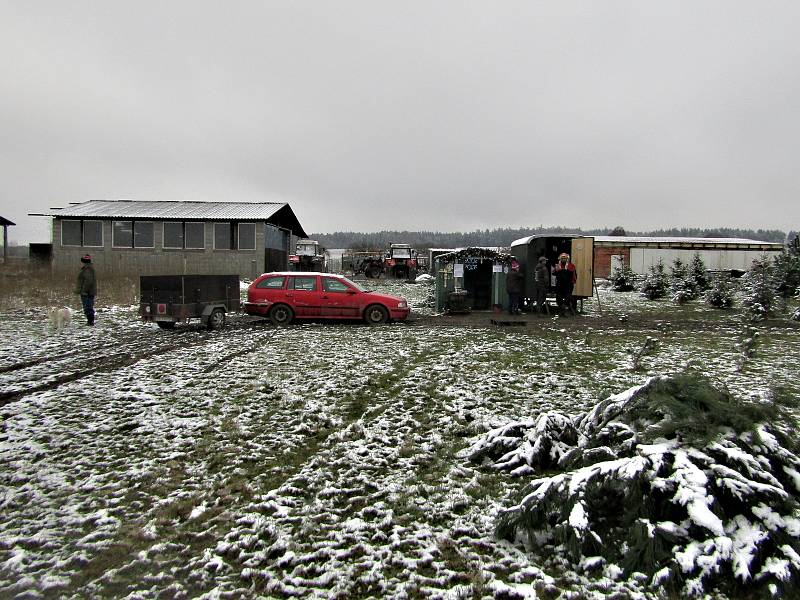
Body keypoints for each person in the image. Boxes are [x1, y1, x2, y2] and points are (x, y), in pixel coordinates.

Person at [75, 254, 97, 326]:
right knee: (88, 306)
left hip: (87, 292)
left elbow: (88, 281)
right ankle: (90, 321)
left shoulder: (87, 269)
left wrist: (84, 290)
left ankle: (90, 321)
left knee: (88, 306)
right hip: (88, 292)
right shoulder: (88, 268)